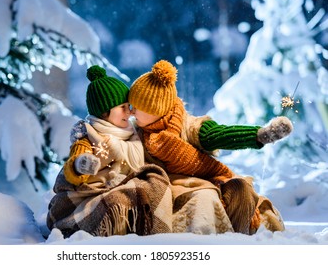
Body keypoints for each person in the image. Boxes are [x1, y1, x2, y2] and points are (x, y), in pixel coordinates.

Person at [128, 60, 291, 235]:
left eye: (136, 107)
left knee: (240, 190)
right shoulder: (135, 133)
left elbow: (219, 135)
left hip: (203, 181)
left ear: (155, 108)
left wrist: (259, 134)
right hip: (169, 191)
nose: (131, 111)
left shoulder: (189, 126)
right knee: (201, 200)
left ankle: (240, 240)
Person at [46, 65, 173, 237]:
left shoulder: (132, 132)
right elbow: (74, 165)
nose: (129, 112)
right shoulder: (90, 135)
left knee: (154, 184)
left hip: (123, 183)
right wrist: (80, 165)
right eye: (123, 107)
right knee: (117, 200)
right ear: (105, 112)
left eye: (129, 106)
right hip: (95, 191)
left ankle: (147, 230)